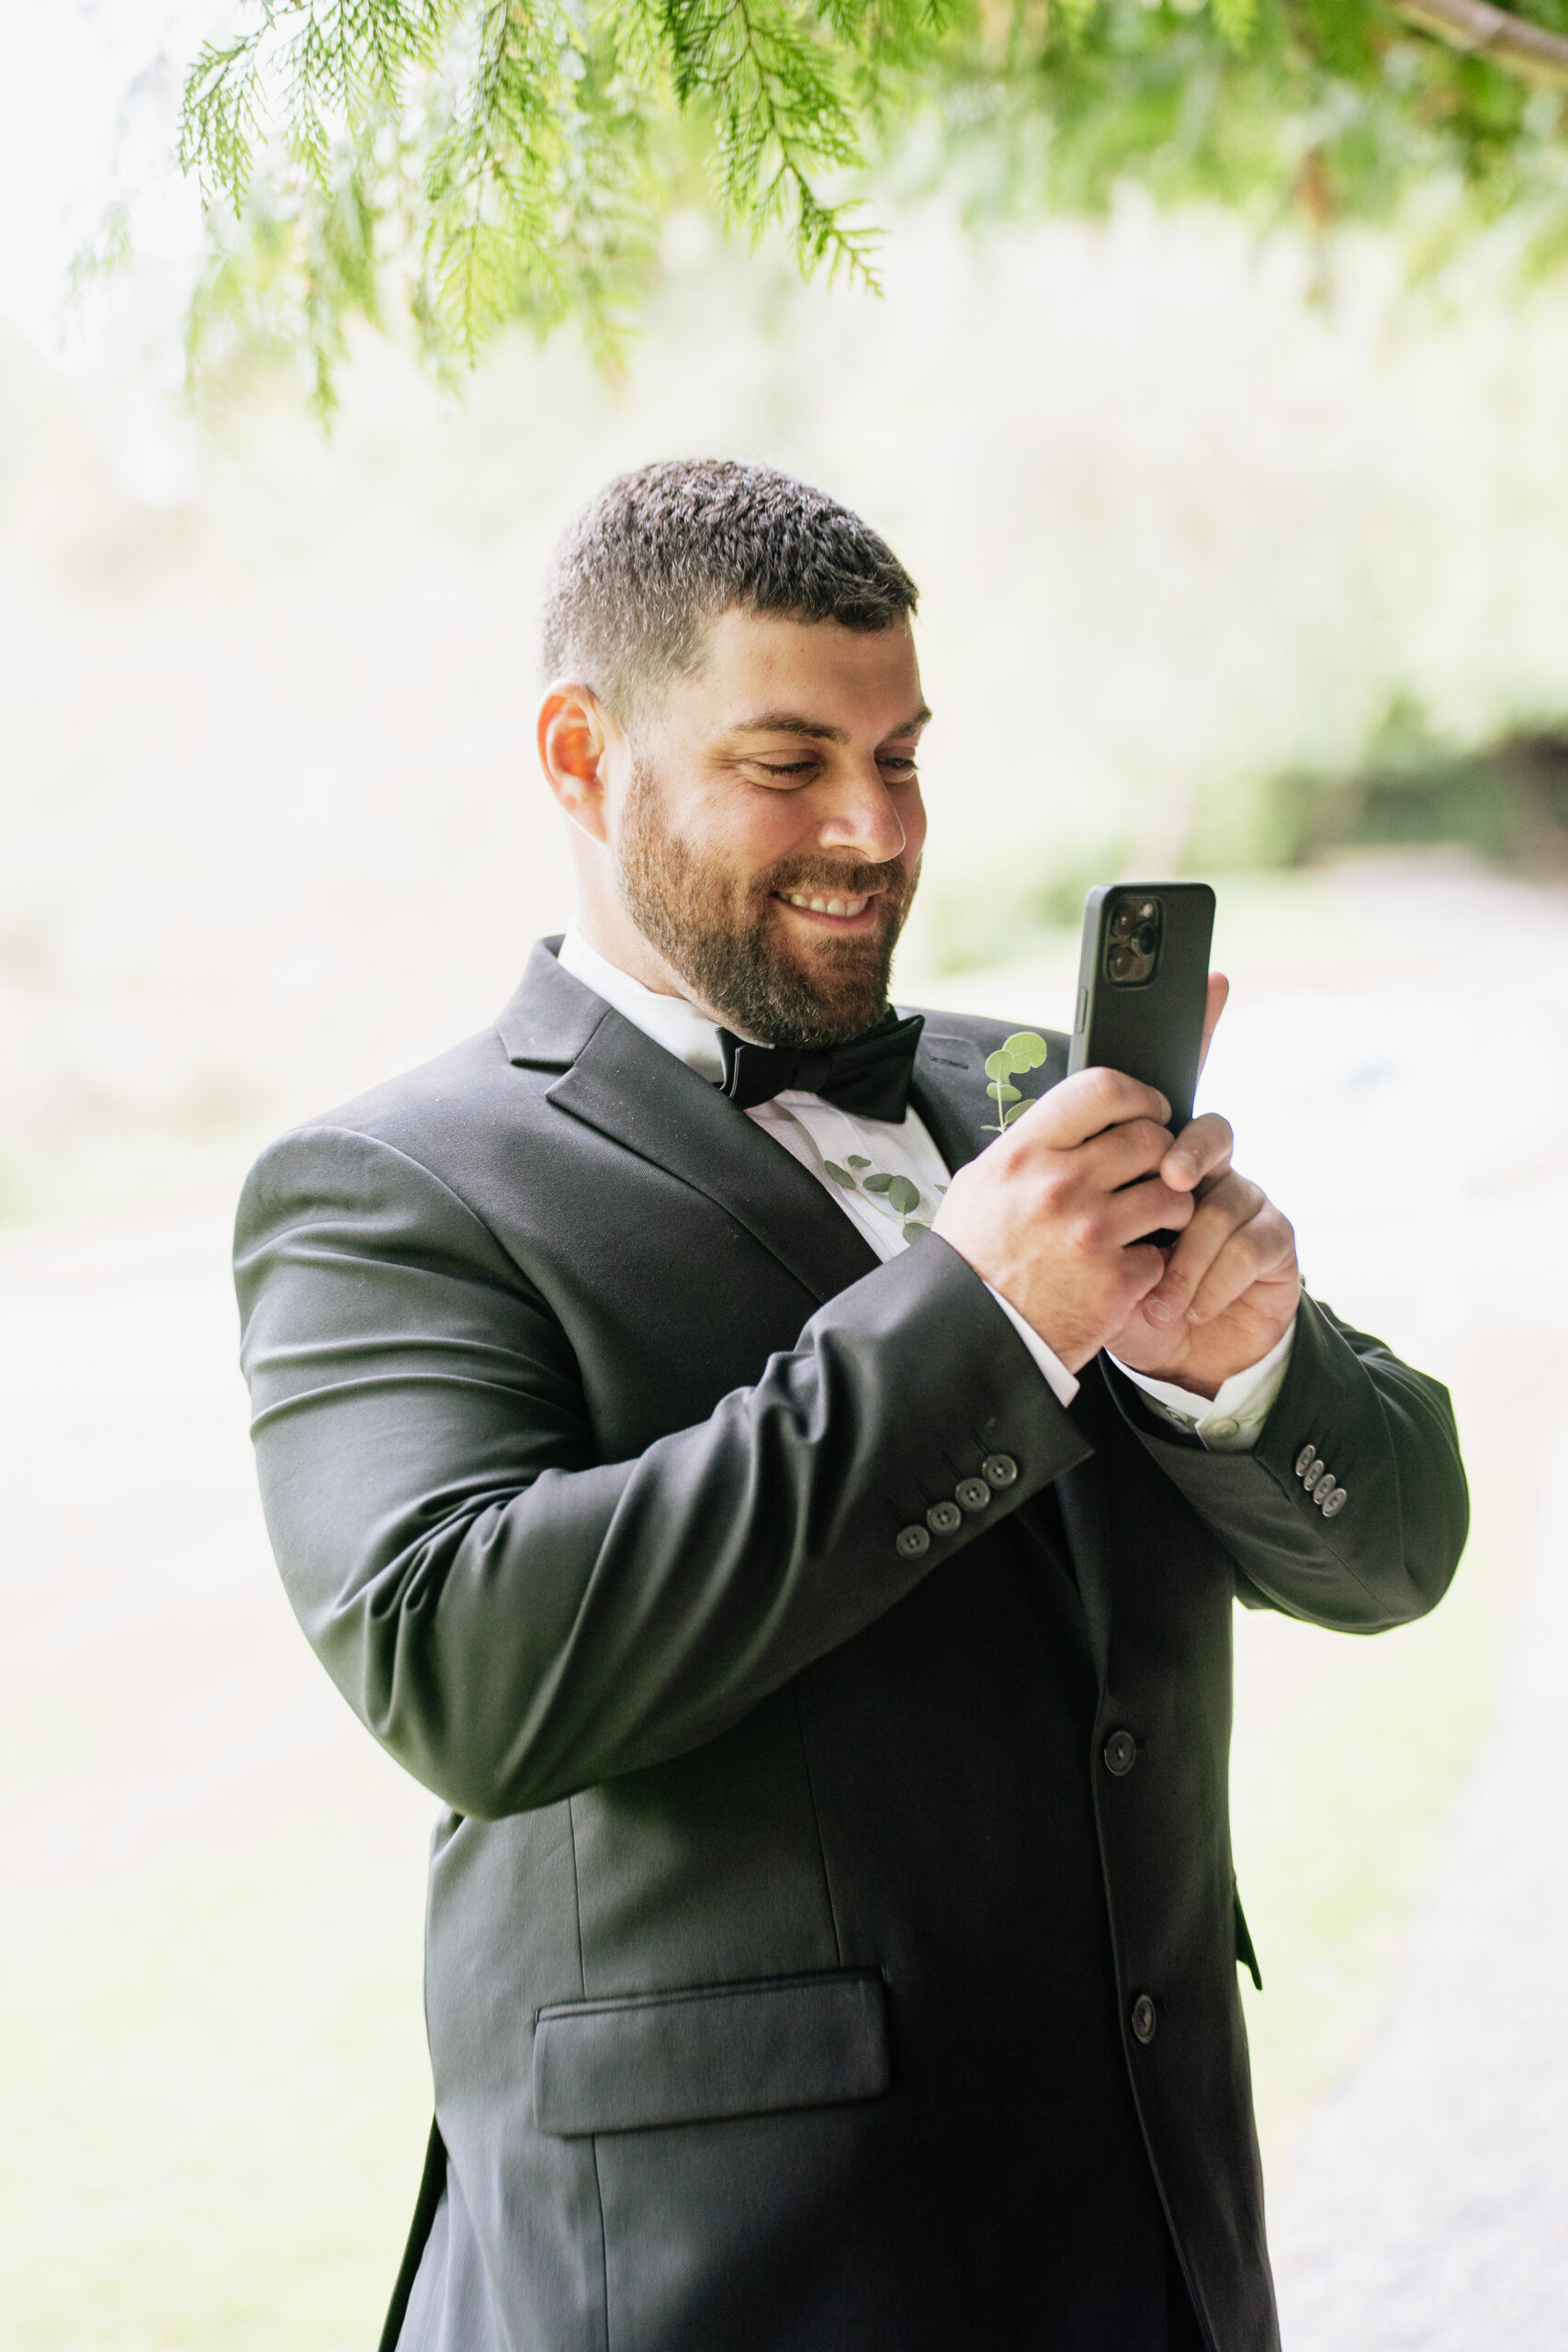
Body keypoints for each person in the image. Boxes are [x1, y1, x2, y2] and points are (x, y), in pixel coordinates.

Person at [233, 459, 1468, 2352]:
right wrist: (976, 1313)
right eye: (787, 759)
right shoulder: (390, 1184)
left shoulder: (1026, 1091)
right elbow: (467, 1666)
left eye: (900, 755)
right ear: (582, 755)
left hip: (1149, 2226)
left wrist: (1231, 1378)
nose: (871, 827)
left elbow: (1396, 1549)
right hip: (730, 2273)